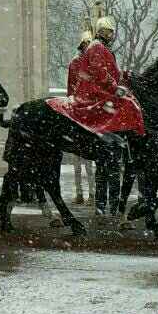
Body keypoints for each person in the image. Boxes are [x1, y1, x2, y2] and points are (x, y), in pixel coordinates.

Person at [46, 12, 145, 142]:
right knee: (127, 103)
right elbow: (99, 71)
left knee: (128, 99)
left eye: (111, 32)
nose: (110, 36)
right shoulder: (96, 46)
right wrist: (114, 87)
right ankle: (116, 136)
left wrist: (125, 76)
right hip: (95, 91)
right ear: (101, 32)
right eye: (107, 32)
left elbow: (110, 70)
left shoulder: (100, 47)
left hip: (100, 89)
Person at [67, 21, 94, 202]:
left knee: (88, 162)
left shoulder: (91, 62)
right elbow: (71, 88)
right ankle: (80, 192)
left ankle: (91, 192)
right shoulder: (76, 63)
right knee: (78, 161)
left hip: (90, 109)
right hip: (79, 109)